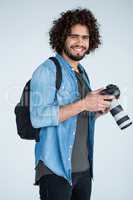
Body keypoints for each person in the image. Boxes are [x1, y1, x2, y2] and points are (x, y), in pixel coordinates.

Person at [30, 8, 114, 200]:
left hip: (84, 169)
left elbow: (75, 116)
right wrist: (85, 103)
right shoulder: (47, 71)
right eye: (74, 36)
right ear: (61, 38)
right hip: (55, 169)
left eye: (85, 37)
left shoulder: (81, 72)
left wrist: (95, 110)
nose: (80, 43)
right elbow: (38, 117)